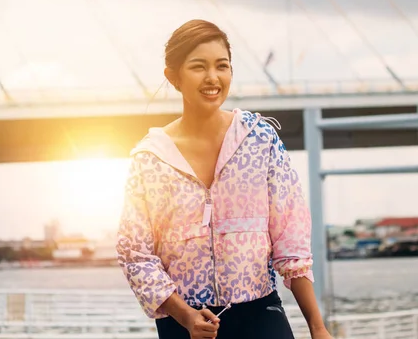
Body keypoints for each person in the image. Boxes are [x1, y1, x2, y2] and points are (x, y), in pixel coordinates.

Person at [116, 19, 332, 339]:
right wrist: (185, 316)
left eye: (222, 66)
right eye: (198, 67)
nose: (213, 78)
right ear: (172, 76)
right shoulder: (150, 159)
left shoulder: (260, 140)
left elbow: (291, 240)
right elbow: (134, 252)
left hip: (260, 314)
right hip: (184, 323)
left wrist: (317, 326)